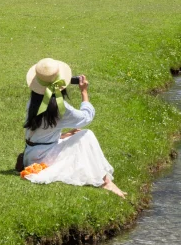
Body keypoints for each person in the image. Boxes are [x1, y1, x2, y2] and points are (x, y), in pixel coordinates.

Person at [21, 58, 126, 197]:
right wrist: (84, 92)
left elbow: (40, 130)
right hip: (44, 158)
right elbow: (86, 117)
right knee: (86, 135)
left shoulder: (33, 101)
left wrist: (63, 136)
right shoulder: (59, 108)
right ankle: (105, 181)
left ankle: (105, 180)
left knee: (76, 135)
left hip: (30, 155)